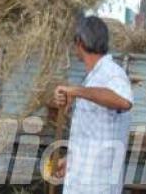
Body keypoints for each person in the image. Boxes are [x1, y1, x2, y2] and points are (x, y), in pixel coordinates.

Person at [52, 16, 133, 193]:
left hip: (98, 185)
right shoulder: (93, 78)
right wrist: (70, 160)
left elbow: (123, 101)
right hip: (82, 180)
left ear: (79, 42)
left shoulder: (112, 73)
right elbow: (91, 133)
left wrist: (76, 91)